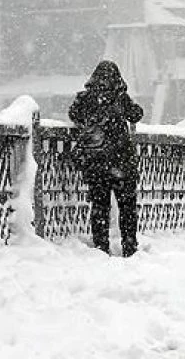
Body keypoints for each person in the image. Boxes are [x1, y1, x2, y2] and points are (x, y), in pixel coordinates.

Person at [67, 60, 144, 257]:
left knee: (100, 207)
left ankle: (101, 247)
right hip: (121, 162)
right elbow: (136, 115)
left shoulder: (86, 98)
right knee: (127, 207)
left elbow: (74, 114)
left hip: (97, 163)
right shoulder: (120, 98)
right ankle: (130, 246)